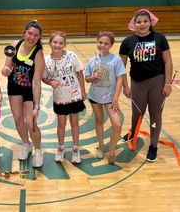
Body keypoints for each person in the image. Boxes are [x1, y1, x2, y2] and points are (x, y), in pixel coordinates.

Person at [119, 9, 173, 162]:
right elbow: (121, 67)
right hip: (137, 83)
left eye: (145, 21)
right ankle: (133, 133)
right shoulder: (127, 42)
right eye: (138, 22)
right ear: (134, 24)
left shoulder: (160, 38)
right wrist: (125, 86)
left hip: (158, 81)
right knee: (137, 113)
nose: (142, 24)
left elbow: (168, 61)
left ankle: (153, 146)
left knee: (155, 115)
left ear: (150, 23)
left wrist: (168, 84)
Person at [1, 20, 45, 168]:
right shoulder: (14, 45)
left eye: (36, 35)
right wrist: (5, 70)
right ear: (24, 32)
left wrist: (36, 106)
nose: (32, 37)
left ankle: (38, 150)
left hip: (29, 91)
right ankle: (26, 144)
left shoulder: (38, 54)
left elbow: (37, 82)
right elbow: (7, 65)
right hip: (14, 88)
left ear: (39, 38)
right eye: (29, 33)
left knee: (30, 122)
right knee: (18, 119)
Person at [42, 31, 86, 164]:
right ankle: (60, 148)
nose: (57, 45)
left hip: (74, 95)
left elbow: (79, 74)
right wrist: (50, 82)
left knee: (74, 122)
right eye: (55, 42)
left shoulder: (72, 56)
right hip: (60, 97)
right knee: (61, 124)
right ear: (50, 43)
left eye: (61, 43)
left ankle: (75, 149)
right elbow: (43, 77)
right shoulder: (46, 60)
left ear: (64, 44)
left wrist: (83, 91)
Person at [85, 31, 126, 164]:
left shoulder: (116, 60)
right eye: (100, 42)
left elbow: (120, 79)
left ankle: (112, 150)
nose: (102, 45)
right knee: (99, 121)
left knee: (117, 124)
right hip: (95, 96)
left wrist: (115, 99)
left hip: (110, 98)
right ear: (97, 43)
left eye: (106, 43)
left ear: (111, 45)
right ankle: (101, 146)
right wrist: (93, 77)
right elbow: (87, 79)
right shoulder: (92, 61)